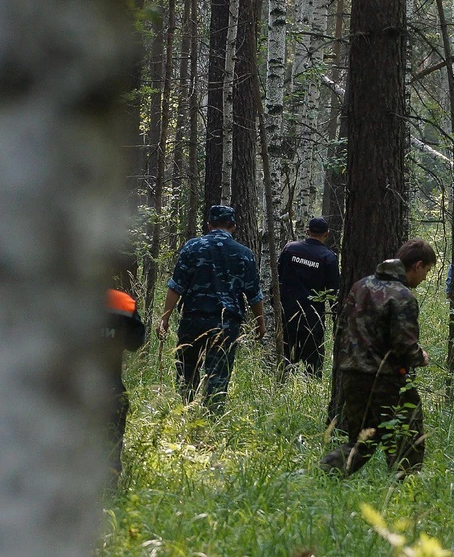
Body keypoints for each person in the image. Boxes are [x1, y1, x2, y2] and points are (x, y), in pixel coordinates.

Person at [320, 238, 436, 479]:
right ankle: (406, 491)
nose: (424, 277)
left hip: (352, 375)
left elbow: (342, 328)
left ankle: (322, 475)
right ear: (417, 265)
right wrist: (420, 357)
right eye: (426, 271)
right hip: (386, 380)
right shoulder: (403, 296)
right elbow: (403, 344)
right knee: (409, 438)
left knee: (363, 440)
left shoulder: (360, 285)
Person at [157, 205, 266, 411]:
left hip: (193, 320)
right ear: (233, 226)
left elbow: (176, 286)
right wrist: (260, 324)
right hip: (227, 324)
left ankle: (185, 413)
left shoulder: (192, 247)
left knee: (187, 371)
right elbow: (254, 294)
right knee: (218, 374)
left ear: (208, 225)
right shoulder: (244, 254)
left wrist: (165, 318)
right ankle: (211, 421)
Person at [277, 217, 340, 376]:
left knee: (284, 359)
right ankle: (309, 391)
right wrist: (336, 322)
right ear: (327, 234)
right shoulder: (328, 257)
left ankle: (281, 386)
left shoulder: (290, 249)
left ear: (307, 232)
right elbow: (333, 293)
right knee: (312, 365)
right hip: (312, 319)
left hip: (287, 315)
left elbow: (277, 278)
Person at [103, 287, 145, 483]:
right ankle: (110, 499)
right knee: (111, 451)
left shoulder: (54, 301)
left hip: (66, 395)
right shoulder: (122, 302)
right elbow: (135, 342)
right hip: (111, 391)